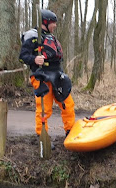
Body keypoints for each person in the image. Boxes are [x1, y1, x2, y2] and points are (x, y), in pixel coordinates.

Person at [19, 9, 75, 138]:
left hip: (57, 74)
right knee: (44, 109)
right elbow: (22, 57)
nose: (55, 25)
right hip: (41, 76)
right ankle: (42, 136)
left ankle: (70, 131)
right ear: (45, 22)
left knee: (68, 104)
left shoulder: (51, 37)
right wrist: (34, 59)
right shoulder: (33, 36)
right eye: (53, 23)